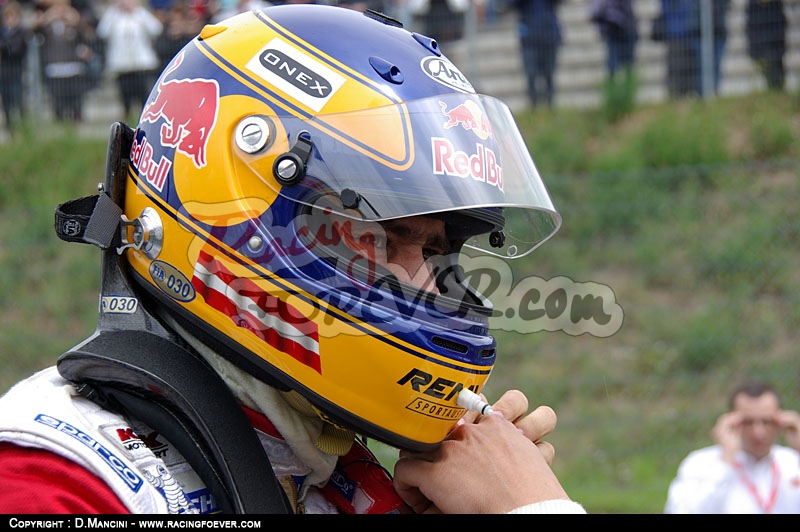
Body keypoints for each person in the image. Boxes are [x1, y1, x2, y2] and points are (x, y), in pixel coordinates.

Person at [0, 4, 584, 514]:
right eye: (387, 237)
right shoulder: (57, 479)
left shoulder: (331, 470)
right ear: (242, 220)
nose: (429, 284)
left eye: (436, 251)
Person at [664, 381, 800, 513]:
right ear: (730, 421)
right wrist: (725, 463)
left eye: (767, 422)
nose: (758, 432)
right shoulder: (701, 464)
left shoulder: (792, 461)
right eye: (748, 422)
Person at [97, 0, 164, 122]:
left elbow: (156, 29)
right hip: (122, 65)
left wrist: (138, 10)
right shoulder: (115, 16)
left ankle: (145, 120)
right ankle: (128, 121)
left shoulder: (139, 15)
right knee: (125, 96)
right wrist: (113, 10)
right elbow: (102, 32)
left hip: (141, 64)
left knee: (143, 95)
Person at [33, 0, 93, 122]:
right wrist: (45, 20)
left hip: (74, 68)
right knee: (58, 103)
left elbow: (89, 35)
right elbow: (35, 35)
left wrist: (77, 21)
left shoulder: (75, 22)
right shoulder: (47, 25)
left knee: (76, 102)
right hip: (55, 69)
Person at [510, 0, 562, 108]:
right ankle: (533, 104)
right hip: (529, 35)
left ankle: (549, 104)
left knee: (549, 74)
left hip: (549, 34)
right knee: (531, 74)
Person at [656, 0, 701, 99]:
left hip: (689, 34)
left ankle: (684, 97)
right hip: (675, 34)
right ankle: (675, 97)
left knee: (688, 71)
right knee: (676, 70)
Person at [0, 1, 30, 133]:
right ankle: (11, 131)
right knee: (6, 105)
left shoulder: (22, 33)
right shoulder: (3, 33)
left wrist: (5, 45)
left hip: (16, 74)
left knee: (19, 105)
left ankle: (24, 130)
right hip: (4, 74)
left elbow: (16, 50)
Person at [590, 0, 638, 81]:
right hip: (613, 29)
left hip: (626, 27)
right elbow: (595, 13)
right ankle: (613, 86)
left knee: (628, 64)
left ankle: (626, 85)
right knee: (614, 64)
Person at [745, 0, 787, 91]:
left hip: (774, 41)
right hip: (762, 40)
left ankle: (777, 88)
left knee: (776, 71)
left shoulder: (775, 6)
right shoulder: (754, 7)